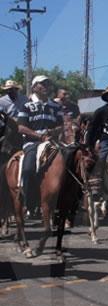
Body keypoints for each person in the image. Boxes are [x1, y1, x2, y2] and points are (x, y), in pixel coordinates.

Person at [17, 75, 64, 211]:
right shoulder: (26, 106)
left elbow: (61, 125)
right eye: (42, 84)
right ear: (34, 87)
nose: (46, 86)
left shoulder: (55, 106)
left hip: (52, 142)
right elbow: (21, 127)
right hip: (32, 144)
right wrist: (40, 136)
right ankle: (28, 202)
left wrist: (54, 131)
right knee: (28, 169)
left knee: (71, 163)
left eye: (47, 84)